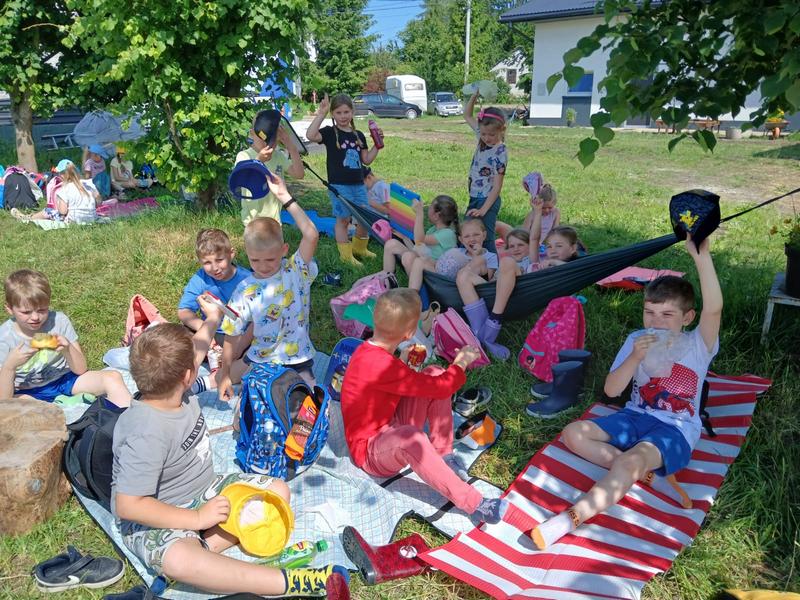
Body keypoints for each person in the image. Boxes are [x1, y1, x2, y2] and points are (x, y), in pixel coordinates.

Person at [112, 307, 347, 597]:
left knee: (278, 491)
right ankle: (287, 581)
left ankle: (205, 551)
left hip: (206, 491)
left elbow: (197, 350)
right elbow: (129, 506)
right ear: (188, 375)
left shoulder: (172, 389)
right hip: (159, 515)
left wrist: (212, 318)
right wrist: (197, 520)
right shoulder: (145, 433)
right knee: (180, 560)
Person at [530, 234, 722, 549]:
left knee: (629, 461)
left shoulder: (698, 344)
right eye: (650, 312)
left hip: (674, 429)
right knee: (573, 433)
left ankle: (571, 518)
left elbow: (713, 309)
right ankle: (645, 474)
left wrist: (702, 258)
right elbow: (611, 390)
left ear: (687, 318)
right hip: (634, 416)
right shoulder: (636, 339)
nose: (656, 322)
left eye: (667, 315)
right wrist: (634, 357)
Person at [340, 288, 508, 524]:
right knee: (414, 437)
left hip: (389, 425)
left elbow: (390, 382)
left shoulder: (370, 351)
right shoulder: (383, 366)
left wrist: (403, 363)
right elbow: (439, 387)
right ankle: (476, 504)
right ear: (410, 333)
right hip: (370, 452)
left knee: (435, 372)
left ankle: (443, 456)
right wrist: (460, 365)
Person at [216, 173, 319, 402]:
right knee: (237, 391)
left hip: (297, 358)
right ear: (246, 253)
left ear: (284, 250)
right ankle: (209, 379)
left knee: (309, 404)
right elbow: (232, 333)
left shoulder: (296, 270)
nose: (263, 266)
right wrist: (224, 373)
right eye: (255, 260)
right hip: (261, 358)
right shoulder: (244, 289)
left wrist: (284, 196)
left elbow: (311, 235)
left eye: (270, 259)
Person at [459, 199, 583, 360]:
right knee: (463, 276)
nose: (552, 250)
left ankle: (494, 321)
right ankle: (480, 336)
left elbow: (539, 244)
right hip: (493, 288)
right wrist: (537, 212)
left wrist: (552, 262)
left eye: (558, 246)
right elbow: (533, 239)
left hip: (516, 294)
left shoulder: (539, 262)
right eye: (549, 246)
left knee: (507, 262)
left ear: (572, 249)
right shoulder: (525, 260)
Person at [0, 269, 131, 407]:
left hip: (65, 380)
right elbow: (4, 398)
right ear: (9, 309)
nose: (35, 317)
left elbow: (81, 370)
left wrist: (67, 349)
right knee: (18, 406)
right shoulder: (4, 337)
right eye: (26, 312)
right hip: (27, 391)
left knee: (112, 377)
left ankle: (130, 415)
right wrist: (10, 366)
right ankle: (60, 408)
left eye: (42, 310)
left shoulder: (58, 321)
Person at [306, 93, 382, 267]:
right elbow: (310, 135)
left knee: (364, 217)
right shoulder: (330, 133)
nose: (343, 116)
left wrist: (377, 146)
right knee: (343, 220)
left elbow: (367, 160)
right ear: (333, 114)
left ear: (352, 112)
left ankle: (359, 248)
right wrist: (321, 113)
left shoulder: (359, 135)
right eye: (338, 112)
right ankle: (346, 256)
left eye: (346, 112)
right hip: (339, 186)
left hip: (359, 185)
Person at [235, 108, 305, 226]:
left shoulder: (278, 156)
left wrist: (291, 147)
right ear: (252, 133)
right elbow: (241, 180)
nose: (266, 143)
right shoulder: (244, 156)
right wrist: (259, 161)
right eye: (262, 139)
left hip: (275, 222)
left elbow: (299, 174)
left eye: (272, 139)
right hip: (252, 222)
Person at [177, 229, 251, 339]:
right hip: (212, 330)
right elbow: (184, 311)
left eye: (219, 260)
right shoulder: (201, 278)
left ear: (231, 254)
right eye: (207, 262)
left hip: (241, 334)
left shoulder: (247, 280)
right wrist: (205, 328)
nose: (214, 268)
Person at [463, 92, 508, 251]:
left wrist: (484, 210)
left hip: (488, 200)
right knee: (467, 232)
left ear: (502, 130)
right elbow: (467, 115)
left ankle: (492, 265)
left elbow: (497, 187)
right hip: (475, 196)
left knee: (486, 238)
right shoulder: (482, 136)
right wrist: (474, 97)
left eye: (492, 134)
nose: (487, 138)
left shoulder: (500, 152)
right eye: (483, 134)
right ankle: (472, 261)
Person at [382, 195, 459, 286]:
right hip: (423, 261)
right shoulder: (433, 230)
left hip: (435, 274)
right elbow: (419, 247)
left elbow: (419, 239)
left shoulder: (448, 234)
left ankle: (416, 290)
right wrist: (405, 238)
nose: (428, 208)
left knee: (408, 256)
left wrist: (419, 214)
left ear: (436, 216)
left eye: (430, 206)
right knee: (391, 244)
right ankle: (387, 282)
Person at [408, 218, 498, 291]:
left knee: (478, 261)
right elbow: (442, 263)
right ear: (461, 240)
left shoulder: (491, 256)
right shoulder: (459, 251)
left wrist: (476, 255)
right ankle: (412, 294)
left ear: (484, 235)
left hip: (463, 288)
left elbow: (488, 282)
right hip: (444, 280)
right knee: (419, 261)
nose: (472, 239)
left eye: (476, 235)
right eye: (467, 236)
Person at [10, 160, 101, 225]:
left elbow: (63, 211)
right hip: (92, 218)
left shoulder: (65, 189)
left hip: (74, 220)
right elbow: (99, 202)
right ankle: (29, 217)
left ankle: (27, 218)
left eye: (59, 173)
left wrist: (59, 203)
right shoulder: (89, 183)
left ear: (63, 175)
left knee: (48, 211)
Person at [496, 181, 560, 244]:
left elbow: (555, 231)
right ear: (538, 203)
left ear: (554, 203)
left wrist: (548, 244)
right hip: (528, 242)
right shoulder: (532, 215)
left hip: (542, 244)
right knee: (498, 225)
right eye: (543, 208)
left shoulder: (555, 213)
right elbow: (524, 233)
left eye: (550, 208)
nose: (547, 210)